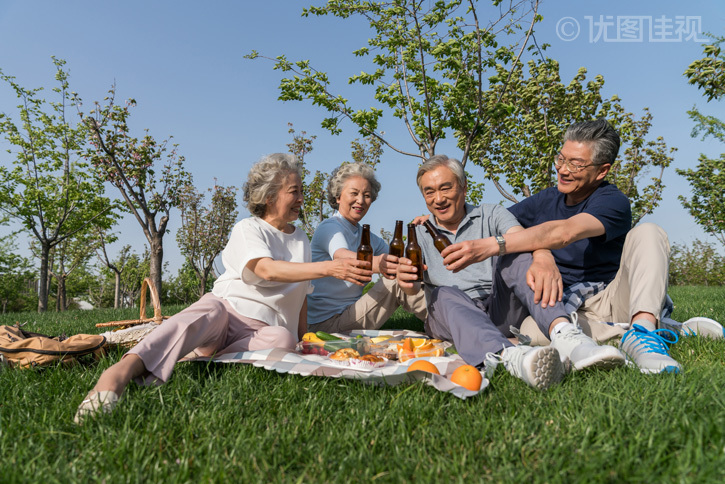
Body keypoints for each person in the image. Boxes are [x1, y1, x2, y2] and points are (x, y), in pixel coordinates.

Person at [74, 153, 371, 423]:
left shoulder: (301, 239)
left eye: (301, 192)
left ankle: (202, 354)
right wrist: (328, 267)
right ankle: (118, 375)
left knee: (284, 340)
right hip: (227, 312)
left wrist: (304, 339)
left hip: (262, 331)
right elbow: (264, 269)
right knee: (207, 312)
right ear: (269, 196)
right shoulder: (249, 228)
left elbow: (301, 294)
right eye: (294, 192)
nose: (301, 199)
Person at [439, 119, 682, 374]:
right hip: (562, 304)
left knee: (649, 232)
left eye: (575, 164)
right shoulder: (546, 199)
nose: (563, 170)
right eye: (561, 159)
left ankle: (643, 331)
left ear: (602, 171)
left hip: (608, 298)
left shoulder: (612, 201)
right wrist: (436, 220)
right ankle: (650, 328)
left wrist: (495, 245)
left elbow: (564, 232)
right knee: (530, 331)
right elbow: (495, 221)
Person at [397, 155, 624, 391]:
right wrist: (406, 284)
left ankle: (566, 335)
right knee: (443, 294)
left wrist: (543, 255)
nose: (439, 199)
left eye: (446, 187)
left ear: (464, 187)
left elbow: (521, 236)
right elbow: (413, 287)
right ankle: (509, 356)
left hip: (500, 307)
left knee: (516, 250)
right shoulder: (418, 234)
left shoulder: (491, 214)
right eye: (429, 192)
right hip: (451, 313)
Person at [307, 162, 427, 333]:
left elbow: (401, 261)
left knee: (402, 274)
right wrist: (379, 263)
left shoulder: (367, 236)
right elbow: (342, 256)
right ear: (338, 196)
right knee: (393, 281)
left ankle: (453, 317)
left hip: (350, 313)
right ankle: (451, 325)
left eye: (367, 195)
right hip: (325, 326)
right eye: (354, 193)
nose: (361, 200)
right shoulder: (330, 227)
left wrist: (427, 228)